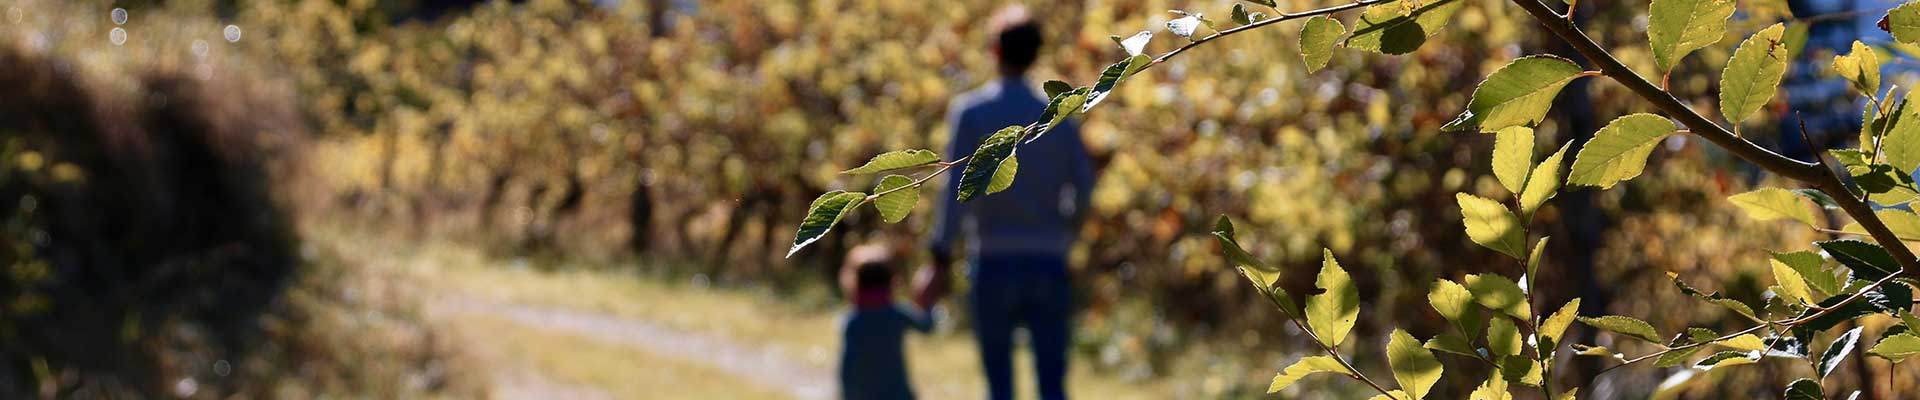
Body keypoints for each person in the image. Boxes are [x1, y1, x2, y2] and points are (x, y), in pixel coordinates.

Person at [929, 5, 1095, 400]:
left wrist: (939, 257)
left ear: (994, 51)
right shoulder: (1056, 115)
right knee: (1052, 382)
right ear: (1036, 54)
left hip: (992, 261)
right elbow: (1083, 184)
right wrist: (1066, 230)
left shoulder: (971, 113)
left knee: (999, 384)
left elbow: (957, 191)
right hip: (1048, 260)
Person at [837, 244, 945, 400]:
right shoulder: (898, 314)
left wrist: (847, 394)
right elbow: (927, 326)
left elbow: (847, 368)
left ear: (855, 284)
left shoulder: (852, 321)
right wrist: (928, 301)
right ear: (891, 282)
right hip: (898, 394)